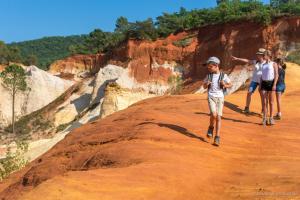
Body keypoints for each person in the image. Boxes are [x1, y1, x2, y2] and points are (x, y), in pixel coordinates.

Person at [203, 57, 232, 146]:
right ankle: (211, 127)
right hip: (211, 97)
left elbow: (230, 84)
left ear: (216, 66)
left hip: (220, 97)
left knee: (218, 117)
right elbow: (204, 86)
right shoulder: (208, 76)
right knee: (214, 114)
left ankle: (217, 137)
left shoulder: (224, 76)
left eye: (210, 67)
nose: (209, 69)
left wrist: (225, 85)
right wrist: (206, 84)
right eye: (208, 67)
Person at [231, 48, 266, 114]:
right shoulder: (256, 62)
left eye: (259, 54)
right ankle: (247, 108)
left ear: (263, 55)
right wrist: (237, 59)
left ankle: (263, 110)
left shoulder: (266, 63)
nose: (258, 55)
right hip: (254, 80)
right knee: (249, 93)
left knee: (262, 95)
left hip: (262, 81)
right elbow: (247, 61)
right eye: (258, 54)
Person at [260, 50, 279, 126]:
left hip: (271, 83)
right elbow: (262, 75)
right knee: (264, 103)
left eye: (264, 55)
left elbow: (276, 75)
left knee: (271, 102)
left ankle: (271, 118)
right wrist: (260, 84)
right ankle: (264, 118)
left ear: (268, 56)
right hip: (264, 83)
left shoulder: (274, 64)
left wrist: (274, 84)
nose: (263, 56)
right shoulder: (263, 65)